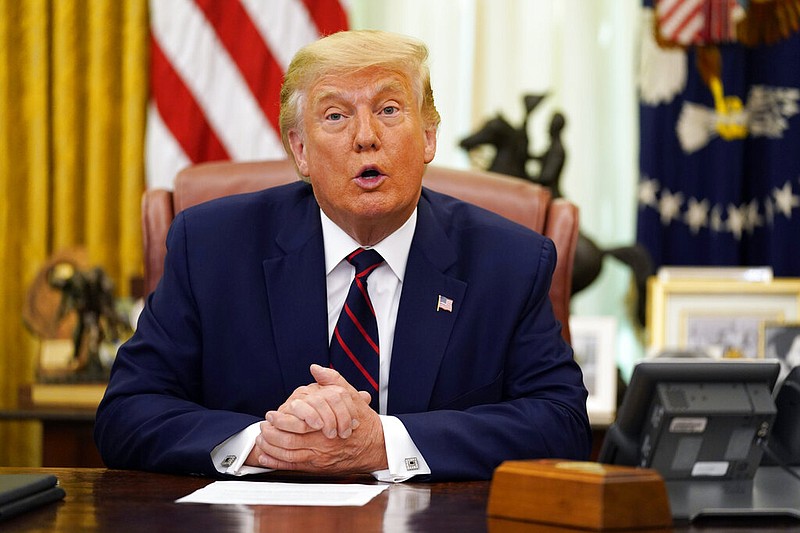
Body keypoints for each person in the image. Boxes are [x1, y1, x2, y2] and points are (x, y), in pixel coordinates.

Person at [94, 29, 591, 482]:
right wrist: (265, 445)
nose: (365, 136)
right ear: (301, 150)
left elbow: (562, 423)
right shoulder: (211, 246)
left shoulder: (508, 261)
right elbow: (127, 412)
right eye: (335, 115)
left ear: (428, 136)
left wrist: (383, 444)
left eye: (390, 109)